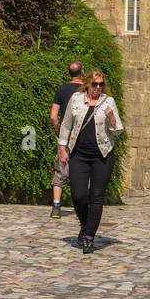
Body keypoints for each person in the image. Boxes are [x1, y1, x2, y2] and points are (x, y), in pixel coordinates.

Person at [58, 69, 123, 255]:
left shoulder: (108, 101)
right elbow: (66, 124)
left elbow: (118, 130)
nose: (98, 88)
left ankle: (89, 237)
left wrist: (111, 118)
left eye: (101, 84)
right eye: (95, 84)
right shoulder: (76, 99)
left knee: (96, 197)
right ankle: (85, 225)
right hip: (79, 154)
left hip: (102, 155)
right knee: (78, 195)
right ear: (87, 84)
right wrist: (62, 148)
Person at [48, 60, 84, 219]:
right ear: (82, 72)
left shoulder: (61, 89)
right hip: (83, 136)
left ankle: (56, 206)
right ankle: (82, 207)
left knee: (60, 170)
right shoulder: (86, 90)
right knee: (83, 170)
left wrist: (60, 131)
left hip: (65, 136)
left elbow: (53, 116)